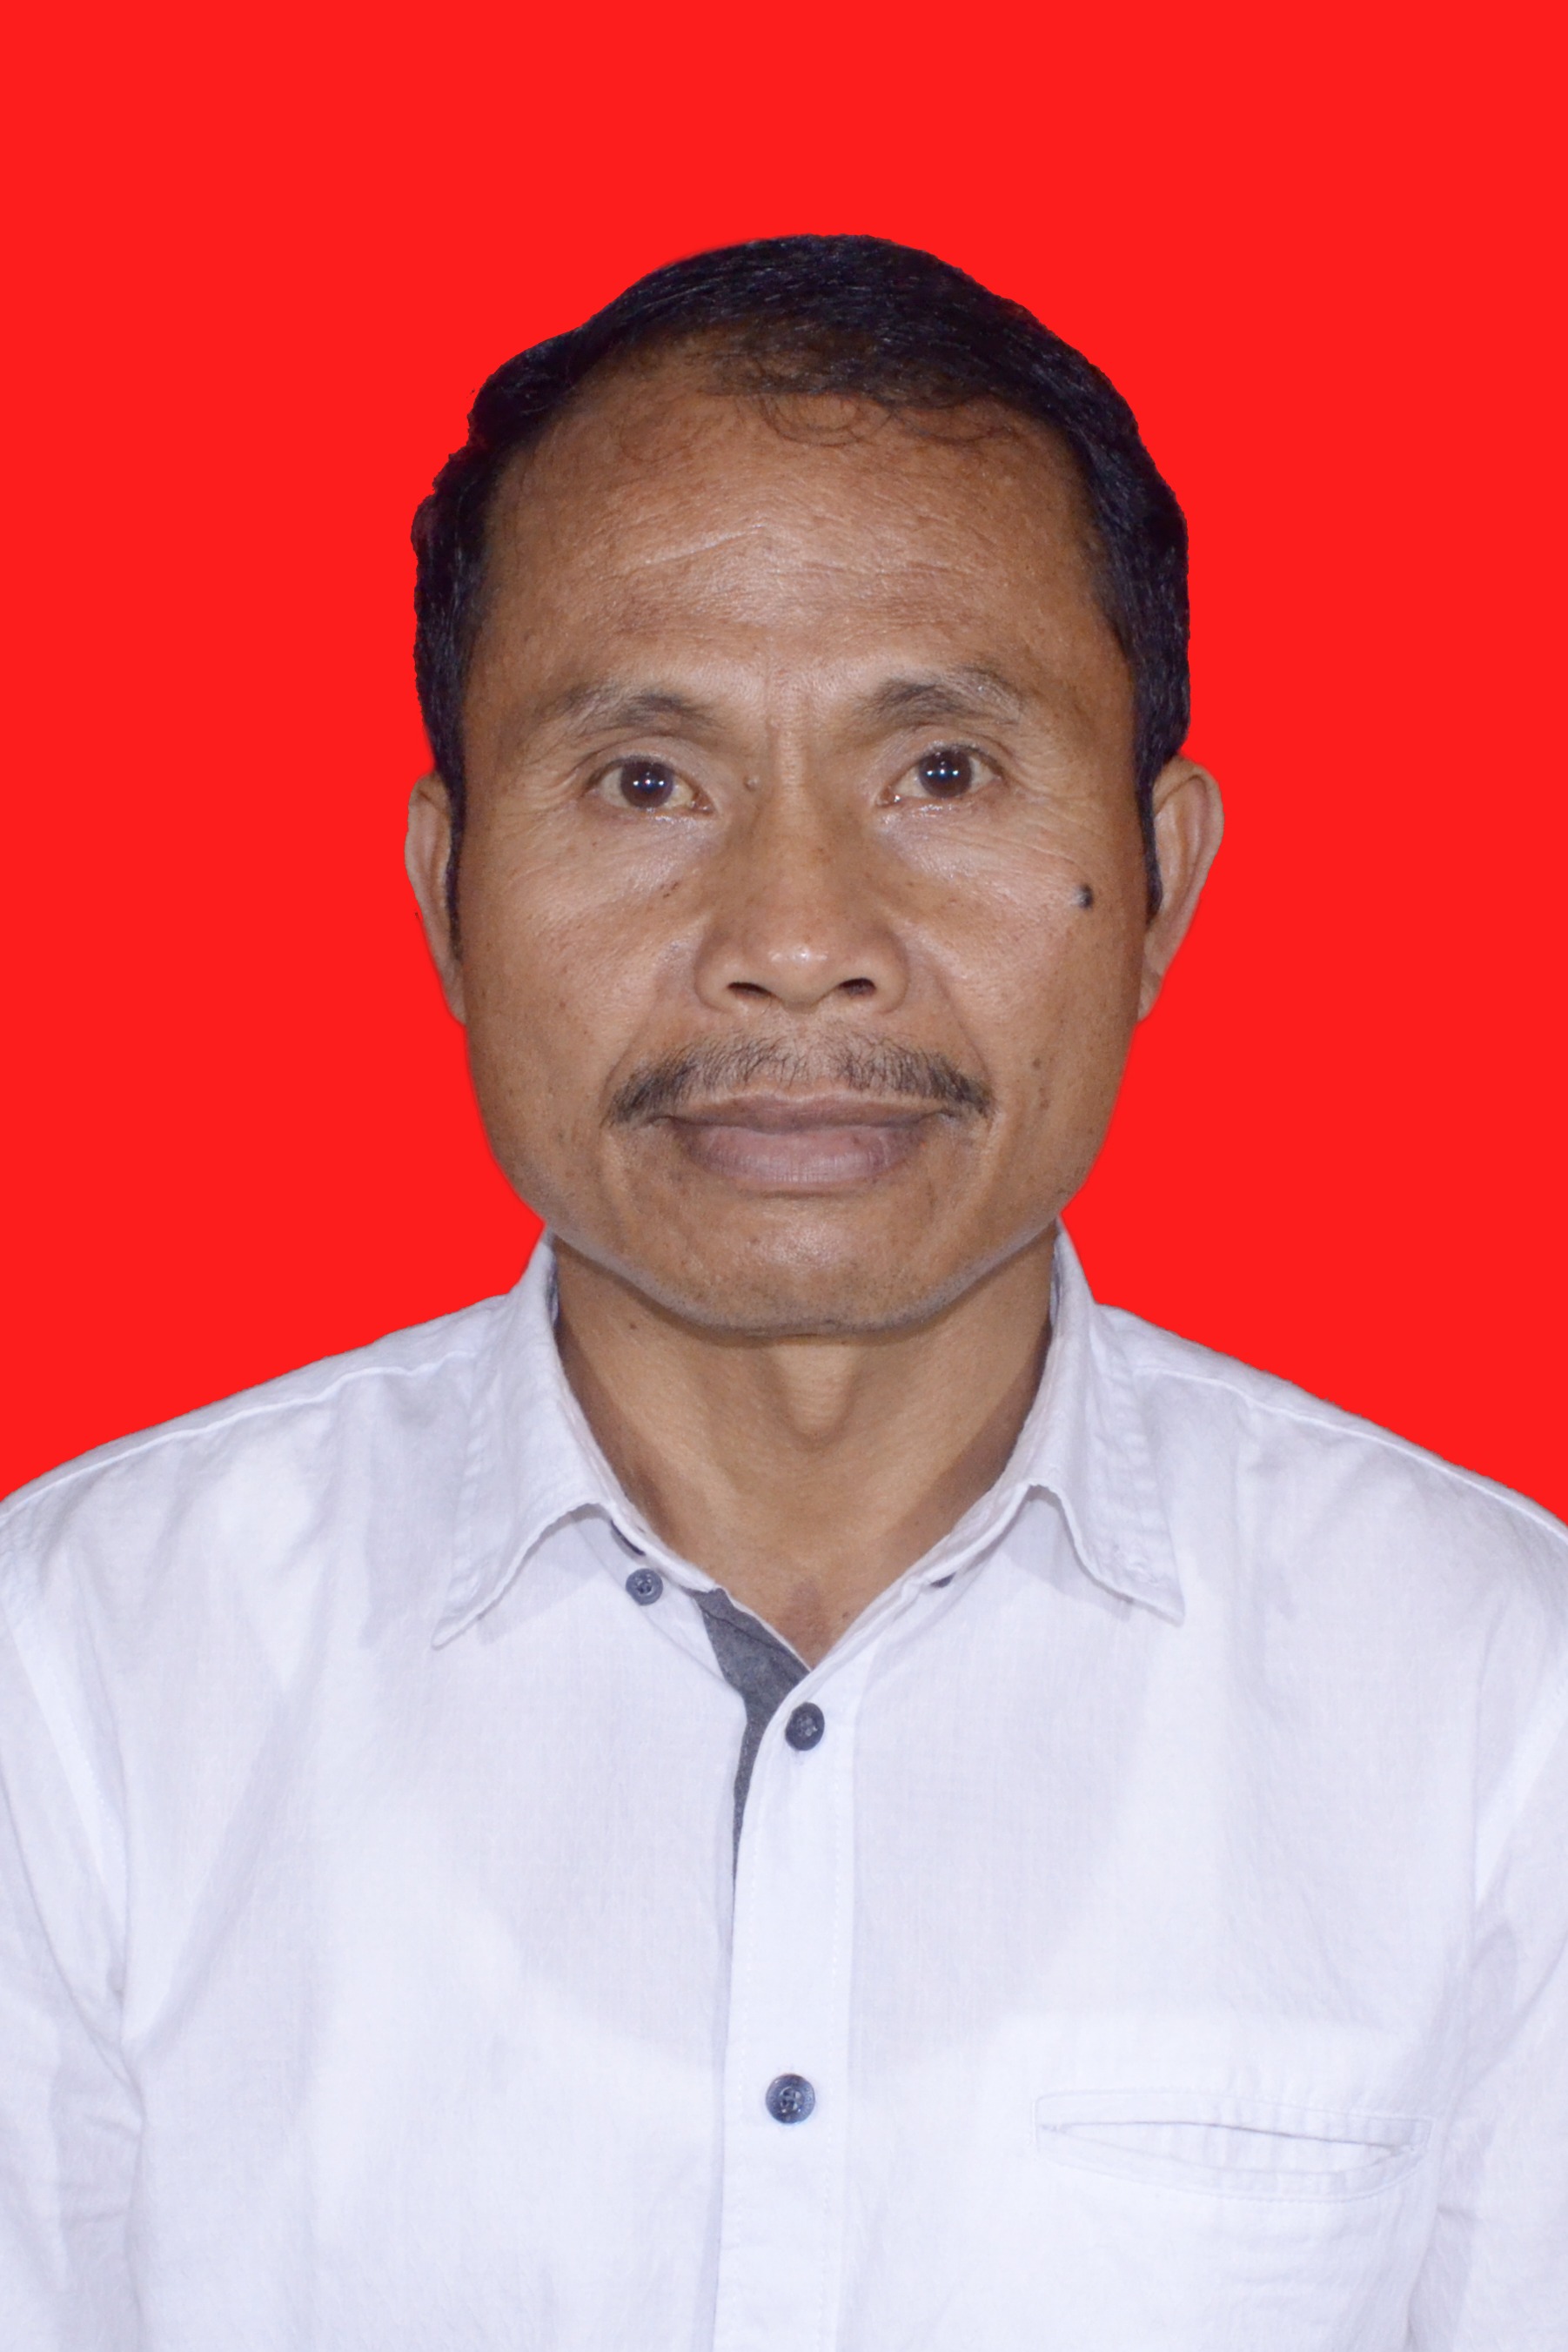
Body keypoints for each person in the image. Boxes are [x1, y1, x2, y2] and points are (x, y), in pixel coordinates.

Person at [1, 235, 1563, 2352]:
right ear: (447, 894)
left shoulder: (1494, 1698)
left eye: (943, 771)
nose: (798, 935)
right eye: (647, 781)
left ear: (1162, 883)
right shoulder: (78, 1680)